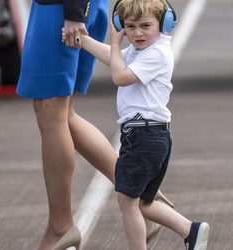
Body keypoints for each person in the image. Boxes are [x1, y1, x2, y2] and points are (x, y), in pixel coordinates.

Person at [16, 0, 174, 249]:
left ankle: (60, 227)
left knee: (51, 113)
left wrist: (74, 15)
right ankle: (144, 196)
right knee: (63, 115)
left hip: (63, 10)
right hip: (74, 9)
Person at [62, 0, 210, 249]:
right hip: (149, 136)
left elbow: (120, 76)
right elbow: (113, 57)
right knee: (142, 202)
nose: (137, 32)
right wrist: (82, 40)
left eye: (145, 25)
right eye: (129, 26)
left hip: (144, 136)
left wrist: (117, 42)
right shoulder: (143, 49)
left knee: (127, 203)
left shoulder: (158, 53)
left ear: (164, 24)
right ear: (122, 25)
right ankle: (190, 230)